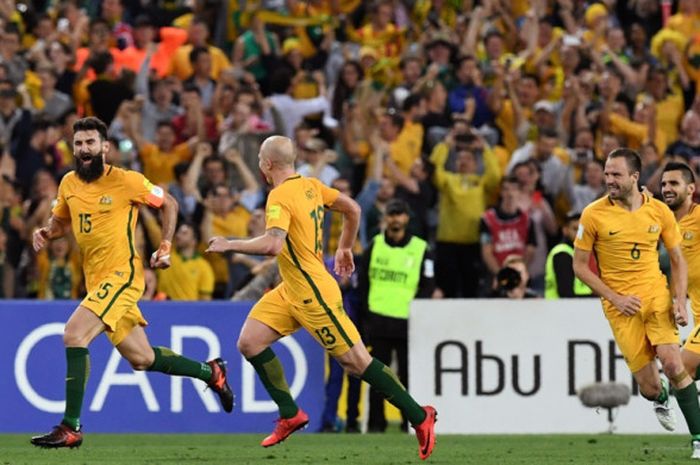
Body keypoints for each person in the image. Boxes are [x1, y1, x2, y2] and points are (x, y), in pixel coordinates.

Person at [205, 136, 436, 460]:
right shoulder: (311, 186)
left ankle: (418, 415)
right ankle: (290, 413)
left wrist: (230, 244)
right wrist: (344, 246)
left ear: (267, 164)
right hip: (291, 289)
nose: (259, 163)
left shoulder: (279, 195)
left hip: (313, 293)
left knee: (356, 362)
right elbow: (352, 209)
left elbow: (273, 245)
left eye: (259, 157)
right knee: (250, 342)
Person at [29, 117, 233, 449]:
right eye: (79, 144)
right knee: (142, 359)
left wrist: (165, 244)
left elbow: (169, 202)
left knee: (74, 334)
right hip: (96, 283)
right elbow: (62, 219)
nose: (84, 150)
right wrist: (47, 231)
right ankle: (211, 372)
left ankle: (71, 426)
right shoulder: (68, 183)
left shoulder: (127, 181)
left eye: (90, 143)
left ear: (105, 147)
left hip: (122, 277)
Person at [573, 148, 700, 459]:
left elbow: (677, 259)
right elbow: (579, 266)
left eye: (616, 174)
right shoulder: (593, 214)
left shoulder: (658, 211)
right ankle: (661, 397)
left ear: (634, 177)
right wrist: (614, 297)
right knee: (650, 387)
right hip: (619, 307)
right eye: (606, 174)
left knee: (674, 363)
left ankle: (698, 438)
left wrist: (678, 301)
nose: (609, 180)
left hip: (655, 294)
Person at [358, 198, 436, 433]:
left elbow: (428, 284)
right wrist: (366, 316)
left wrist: (416, 310)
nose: (395, 219)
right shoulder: (375, 245)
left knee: (406, 376)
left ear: (407, 218)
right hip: (379, 320)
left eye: (399, 214)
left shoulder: (421, 248)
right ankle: (376, 424)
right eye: (392, 214)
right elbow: (363, 281)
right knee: (377, 378)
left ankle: (408, 423)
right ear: (386, 218)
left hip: (406, 321)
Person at [660, 163, 700, 405]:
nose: (667, 188)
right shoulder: (666, 225)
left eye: (674, 183)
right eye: (663, 184)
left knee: (681, 367)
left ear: (691, 189)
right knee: (682, 372)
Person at [544, 212, 593, 299]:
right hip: (562, 309)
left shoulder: (577, 253)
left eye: (582, 230)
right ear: (565, 230)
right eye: (575, 229)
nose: (579, 234)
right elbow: (566, 294)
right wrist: (594, 298)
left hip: (575, 308)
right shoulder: (562, 254)